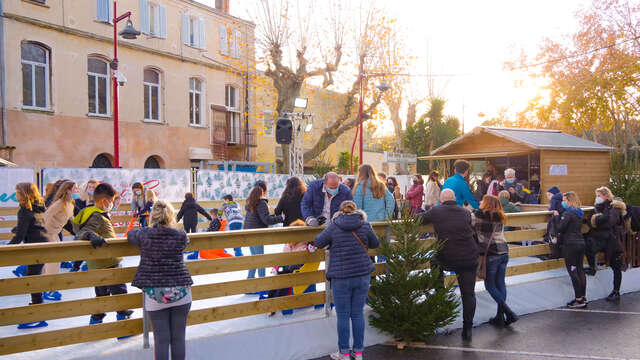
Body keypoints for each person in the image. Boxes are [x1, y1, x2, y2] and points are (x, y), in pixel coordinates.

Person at [309, 200, 379, 360]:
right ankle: (359, 352)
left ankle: (344, 353)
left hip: (341, 278)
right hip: (362, 275)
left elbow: (319, 242)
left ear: (340, 211)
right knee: (357, 314)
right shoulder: (365, 224)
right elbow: (375, 243)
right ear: (356, 211)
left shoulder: (334, 226)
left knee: (343, 315)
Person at [128, 201, 193, 360]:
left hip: (155, 292)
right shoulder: (181, 235)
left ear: (153, 216)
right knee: (178, 338)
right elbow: (185, 243)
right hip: (181, 292)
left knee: (161, 340)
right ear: (171, 216)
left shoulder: (144, 234)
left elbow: (130, 234)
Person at [421, 189, 479, 341]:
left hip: (449, 257)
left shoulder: (436, 210)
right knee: (469, 294)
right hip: (469, 256)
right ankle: (467, 329)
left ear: (441, 199)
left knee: (434, 260)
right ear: (455, 199)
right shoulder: (465, 212)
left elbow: (418, 220)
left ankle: (439, 290)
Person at [73, 183, 133, 326]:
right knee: (119, 292)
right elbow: (82, 232)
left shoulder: (95, 213)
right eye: (111, 201)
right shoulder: (96, 215)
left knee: (102, 294)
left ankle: (96, 319)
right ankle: (123, 320)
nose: (112, 204)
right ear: (104, 201)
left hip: (99, 263)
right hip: (108, 262)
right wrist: (90, 235)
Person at [472, 195, 519, 327]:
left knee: (490, 285)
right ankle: (500, 316)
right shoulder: (501, 216)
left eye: (482, 200)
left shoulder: (478, 216)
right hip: (504, 252)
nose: (480, 202)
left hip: (490, 254)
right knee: (500, 283)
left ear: (486, 203)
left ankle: (509, 312)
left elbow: (471, 229)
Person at [8, 182, 49, 329]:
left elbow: (19, 237)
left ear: (24, 194)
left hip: (36, 248)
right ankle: (37, 310)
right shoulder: (38, 207)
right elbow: (35, 225)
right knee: (32, 278)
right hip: (43, 246)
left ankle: (38, 316)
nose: (16, 195)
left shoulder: (24, 211)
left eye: (17, 192)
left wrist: (4, 251)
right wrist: (19, 228)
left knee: (32, 280)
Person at [587, 186, 626, 301]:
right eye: (596, 196)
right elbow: (591, 222)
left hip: (612, 241)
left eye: (599, 196)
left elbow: (610, 222)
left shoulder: (614, 207)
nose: (597, 198)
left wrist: (597, 221)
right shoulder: (597, 208)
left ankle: (616, 291)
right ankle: (592, 268)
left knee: (616, 267)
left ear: (606, 195)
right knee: (588, 248)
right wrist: (597, 220)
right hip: (600, 239)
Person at [42, 180, 79, 301]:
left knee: (52, 263)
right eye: (75, 188)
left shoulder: (70, 204)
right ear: (68, 190)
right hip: (47, 234)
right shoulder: (59, 203)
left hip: (55, 235)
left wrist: (79, 232)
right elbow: (45, 217)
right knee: (52, 262)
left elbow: (72, 222)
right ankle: (49, 289)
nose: (77, 190)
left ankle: (46, 288)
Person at [552, 191, 587, 308]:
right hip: (580, 242)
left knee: (573, 271)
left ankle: (578, 299)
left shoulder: (568, 213)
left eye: (564, 200)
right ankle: (583, 296)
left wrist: (557, 217)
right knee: (580, 269)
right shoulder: (579, 213)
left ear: (569, 200)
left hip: (570, 245)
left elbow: (560, 228)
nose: (563, 202)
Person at [244, 183, 284, 279]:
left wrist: (275, 216)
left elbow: (262, 217)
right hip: (257, 235)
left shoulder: (251, 202)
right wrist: (281, 218)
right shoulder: (261, 203)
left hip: (248, 233)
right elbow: (266, 220)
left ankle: (250, 281)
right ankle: (262, 285)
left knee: (254, 258)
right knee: (260, 259)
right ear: (264, 191)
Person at [177, 192, 212, 260]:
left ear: (185, 197)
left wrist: (175, 221)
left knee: (187, 235)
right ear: (192, 197)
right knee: (194, 234)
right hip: (193, 221)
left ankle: (188, 248)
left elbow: (180, 213)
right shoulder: (195, 204)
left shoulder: (184, 205)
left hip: (186, 221)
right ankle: (194, 249)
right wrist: (209, 217)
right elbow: (202, 211)